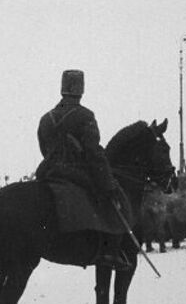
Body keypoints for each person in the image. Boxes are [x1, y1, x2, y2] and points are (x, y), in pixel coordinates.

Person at [35, 69, 130, 270]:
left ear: (62, 88)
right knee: (111, 197)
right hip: (76, 173)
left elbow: (44, 148)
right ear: (81, 89)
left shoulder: (46, 118)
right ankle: (109, 251)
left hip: (48, 171)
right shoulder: (85, 116)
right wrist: (108, 184)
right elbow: (94, 153)